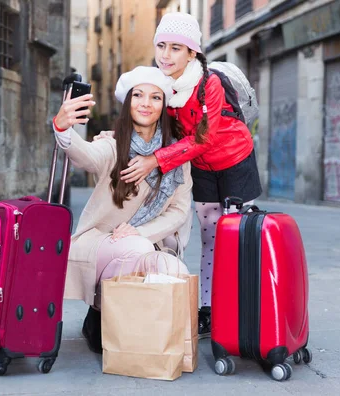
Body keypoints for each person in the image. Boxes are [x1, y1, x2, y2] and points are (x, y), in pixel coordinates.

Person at [100, 13, 263, 339]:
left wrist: (155, 161)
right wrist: (113, 137)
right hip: (200, 168)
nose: (165, 55)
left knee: (240, 238)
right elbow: (150, 125)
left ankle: (244, 309)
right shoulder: (161, 87)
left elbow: (204, 137)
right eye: (161, 46)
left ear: (192, 54)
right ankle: (206, 309)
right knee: (210, 238)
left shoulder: (208, 83)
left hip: (235, 160)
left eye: (176, 48)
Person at [52, 66, 193, 354]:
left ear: (164, 106)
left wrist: (139, 232)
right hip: (103, 241)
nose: (145, 103)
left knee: (173, 268)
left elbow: (179, 211)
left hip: (145, 241)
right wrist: (63, 127)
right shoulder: (113, 144)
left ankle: (148, 340)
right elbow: (86, 156)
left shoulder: (177, 155)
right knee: (138, 251)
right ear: (127, 102)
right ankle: (103, 312)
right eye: (138, 95)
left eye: (155, 97)